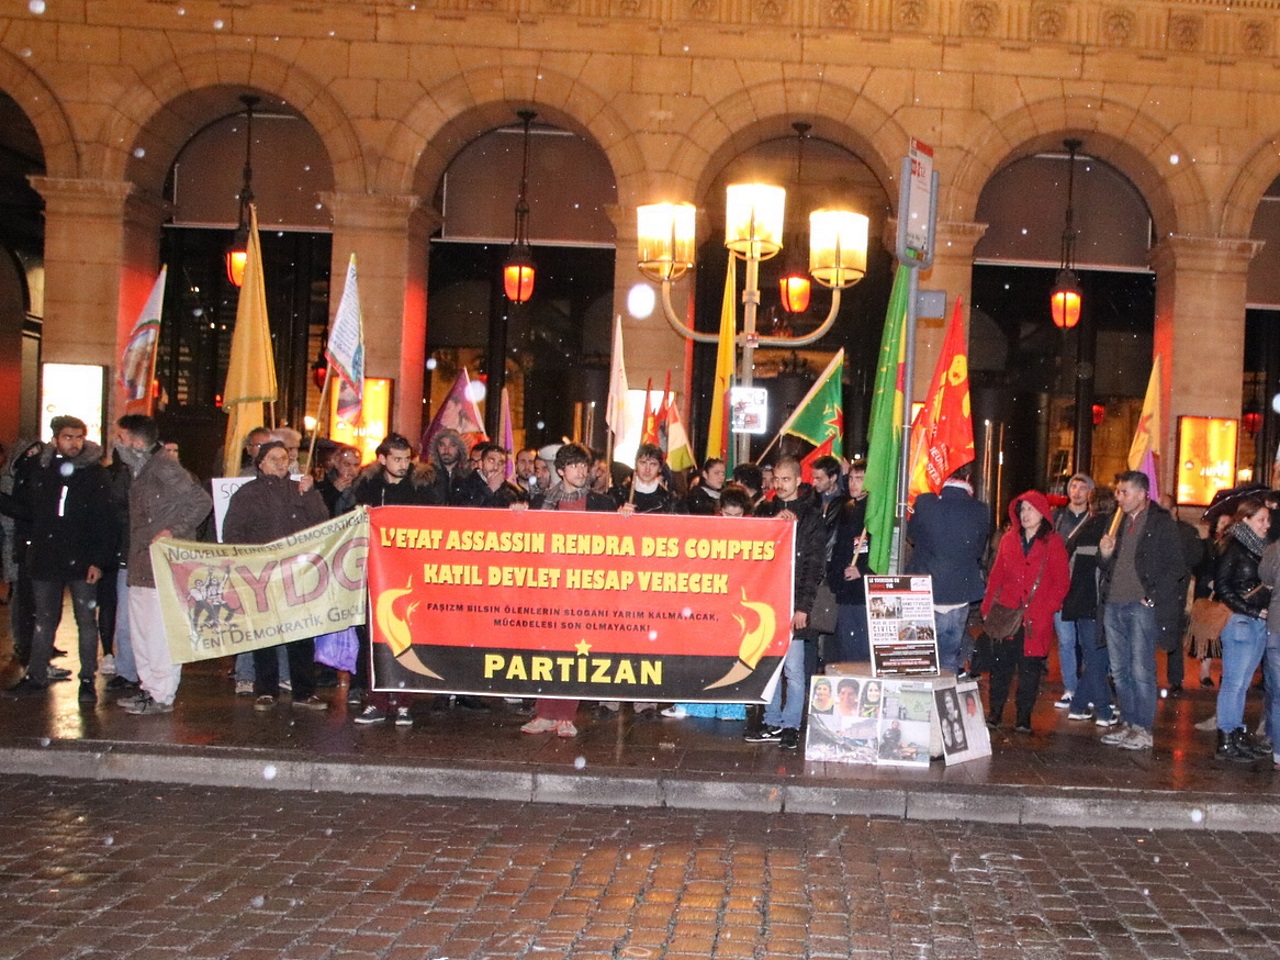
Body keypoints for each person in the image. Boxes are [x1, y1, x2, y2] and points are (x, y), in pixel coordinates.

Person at [2, 417, 112, 701]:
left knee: (85, 619)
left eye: (78, 437)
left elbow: (104, 521)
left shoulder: (94, 474)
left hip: (81, 558)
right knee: (44, 619)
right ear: (55, 439)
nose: (74, 443)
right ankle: (36, 674)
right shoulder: (42, 469)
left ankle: (87, 678)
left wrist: (97, 561)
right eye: (68, 437)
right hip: (47, 557)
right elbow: (28, 509)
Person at [222, 440, 330, 713]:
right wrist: (243, 566)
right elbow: (233, 533)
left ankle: (304, 692)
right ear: (261, 464)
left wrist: (311, 495)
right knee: (265, 635)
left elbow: (322, 523)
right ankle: (266, 689)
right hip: (263, 576)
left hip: (296, 575)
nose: (281, 462)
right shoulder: (247, 494)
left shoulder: (299, 489)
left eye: (285, 457)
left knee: (300, 635)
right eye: (274, 458)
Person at [115, 414, 213, 716]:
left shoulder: (164, 467)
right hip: (142, 563)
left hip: (161, 565)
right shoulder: (141, 469)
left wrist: (172, 531)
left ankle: (161, 693)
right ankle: (149, 688)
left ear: (135, 440)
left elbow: (201, 501)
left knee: (158, 634)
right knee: (142, 633)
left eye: (121, 437)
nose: (117, 443)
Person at [522, 443, 616, 738]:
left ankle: (565, 715)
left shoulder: (602, 504)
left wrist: (627, 519)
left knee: (575, 651)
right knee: (547, 650)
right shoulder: (540, 503)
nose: (581, 471)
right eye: (574, 466)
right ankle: (544, 713)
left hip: (584, 591)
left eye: (584, 466)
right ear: (560, 470)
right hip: (549, 588)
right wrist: (516, 514)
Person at [346, 433, 439, 725]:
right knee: (376, 637)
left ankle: (403, 701)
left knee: (404, 636)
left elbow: (433, 523)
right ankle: (376, 700)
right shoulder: (368, 487)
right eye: (396, 459)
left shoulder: (421, 487)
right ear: (383, 459)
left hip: (408, 573)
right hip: (377, 572)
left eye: (406, 458)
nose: (403, 464)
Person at [1097, 470, 1191, 752]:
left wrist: (1151, 597)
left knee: (1141, 669)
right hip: (1114, 604)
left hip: (1139, 607)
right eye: (1118, 492)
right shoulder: (1117, 521)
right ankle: (1127, 721)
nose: (1119, 497)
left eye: (1124, 492)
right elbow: (1107, 566)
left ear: (1141, 493)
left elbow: (1176, 566)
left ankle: (1143, 728)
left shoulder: (1161, 522)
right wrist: (1105, 552)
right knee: (1119, 670)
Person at [743, 457, 827, 750]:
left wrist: (803, 607)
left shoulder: (812, 517)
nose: (779, 485)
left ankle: (791, 724)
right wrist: (770, 525)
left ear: (798, 481)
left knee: (793, 668)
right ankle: (771, 720)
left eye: (786, 480)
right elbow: (750, 547)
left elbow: (814, 566)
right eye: (776, 479)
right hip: (767, 602)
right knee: (770, 667)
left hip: (792, 602)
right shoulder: (765, 510)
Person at [980, 490, 1070, 733]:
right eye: (1022, 509)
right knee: (1000, 668)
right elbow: (996, 576)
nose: (1026, 514)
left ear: (1042, 513)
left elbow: (1061, 582)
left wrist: (1048, 608)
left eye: (1031, 509)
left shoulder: (1053, 542)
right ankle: (995, 713)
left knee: (1029, 671)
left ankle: (1023, 718)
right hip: (1007, 616)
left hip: (1036, 619)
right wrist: (987, 607)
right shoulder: (1009, 540)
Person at [661, 484, 752, 721]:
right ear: (720, 510)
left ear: (745, 512)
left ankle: (730, 708)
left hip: (737, 606)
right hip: (711, 603)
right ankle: (697, 705)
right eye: (727, 514)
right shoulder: (709, 531)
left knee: (733, 657)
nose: (732, 520)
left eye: (737, 515)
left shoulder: (756, 533)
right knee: (705, 653)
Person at [905, 463, 991, 677]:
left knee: (922, 657)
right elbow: (979, 550)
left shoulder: (925, 503)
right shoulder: (981, 510)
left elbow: (912, 537)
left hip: (926, 592)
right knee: (949, 657)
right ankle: (945, 703)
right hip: (960, 593)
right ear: (969, 477)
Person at [1210, 497, 1271, 761]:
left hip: (1258, 621)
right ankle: (1226, 739)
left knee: (1242, 684)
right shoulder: (1233, 545)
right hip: (1241, 621)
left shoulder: (1262, 547)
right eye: (1261, 519)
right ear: (1245, 519)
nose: (1266, 525)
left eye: (1268, 520)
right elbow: (1223, 587)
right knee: (1234, 683)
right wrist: (1252, 610)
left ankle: (1236, 734)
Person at [1062, 487, 1119, 727]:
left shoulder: (1081, 529)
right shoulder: (1112, 530)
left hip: (1078, 601)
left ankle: (1078, 706)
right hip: (1098, 603)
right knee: (1098, 659)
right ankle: (1104, 712)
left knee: (1094, 657)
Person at [1051, 473, 1094, 708]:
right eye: (1073, 487)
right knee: (1066, 640)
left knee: (1087, 641)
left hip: (1085, 587)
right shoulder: (1056, 518)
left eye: (1082, 487)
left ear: (1090, 492)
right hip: (1061, 587)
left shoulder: (1095, 519)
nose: (1076, 491)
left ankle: (1088, 689)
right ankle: (1071, 688)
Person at [828, 461, 870, 662]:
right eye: (851, 478)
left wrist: (863, 570)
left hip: (863, 592)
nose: (854, 484)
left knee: (860, 649)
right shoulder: (847, 507)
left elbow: (882, 553)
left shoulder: (875, 512)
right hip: (845, 589)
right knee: (845, 648)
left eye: (859, 479)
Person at [453, 442, 530, 509]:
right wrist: (489, 490)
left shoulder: (513, 492)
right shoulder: (462, 484)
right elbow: (463, 513)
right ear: (481, 463)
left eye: (501, 463)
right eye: (491, 461)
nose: (496, 467)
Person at [612, 443, 674, 515]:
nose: (647, 469)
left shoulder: (668, 500)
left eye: (653, 464)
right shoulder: (618, 495)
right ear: (635, 464)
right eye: (643, 462)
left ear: (660, 468)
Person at [316, 444, 361, 517]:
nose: (352, 470)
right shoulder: (323, 483)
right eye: (347, 464)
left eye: (356, 465)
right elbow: (317, 509)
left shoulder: (364, 485)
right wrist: (334, 490)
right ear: (337, 464)